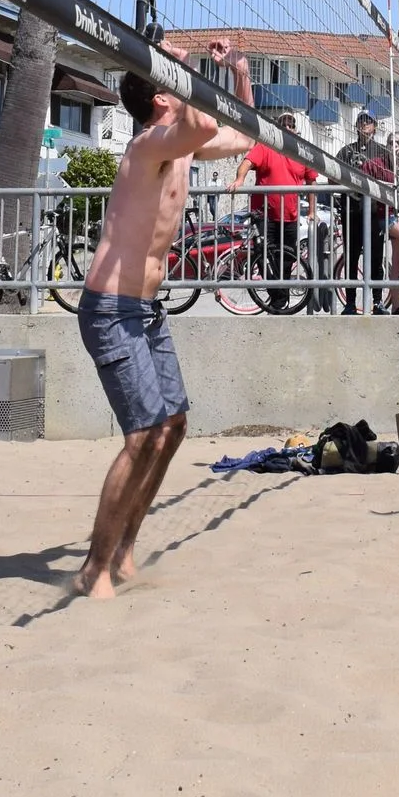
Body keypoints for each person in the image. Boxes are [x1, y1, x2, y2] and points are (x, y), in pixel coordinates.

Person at [76, 38, 263, 599]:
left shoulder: (179, 147)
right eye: (173, 80)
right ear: (162, 96)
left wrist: (241, 71)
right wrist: (179, 67)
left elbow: (244, 134)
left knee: (173, 426)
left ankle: (125, 547)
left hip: (145, 308)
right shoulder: (147, 148)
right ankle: (93, 567)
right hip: (110, 308)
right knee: (142, 436)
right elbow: (204, 125)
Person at [236, 110, 317, 311]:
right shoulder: (266, 146)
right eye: (283, 123)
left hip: (289, 215)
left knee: (287, 259)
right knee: (263, 256)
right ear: (277, 126)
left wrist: (312, 211)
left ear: (295, 128)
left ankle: (281, 300)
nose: (287, 127)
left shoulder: (301, 151)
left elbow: (312, 182)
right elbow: (247, 162)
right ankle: (279, 298)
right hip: (264, 214)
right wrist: (239, 179)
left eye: (291, 124)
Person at [337, 113, 399, 314]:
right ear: (356, 126)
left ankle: (377, 302)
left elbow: (392, 178)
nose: (365, 124)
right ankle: (349, 303)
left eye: (369, 121)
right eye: (361, 121)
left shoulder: (382, 151)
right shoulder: (346, 151)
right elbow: (334, 175)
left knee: (375, 259)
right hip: (352, 211)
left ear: (374, 126)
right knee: (351, 258)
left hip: (374, 213)